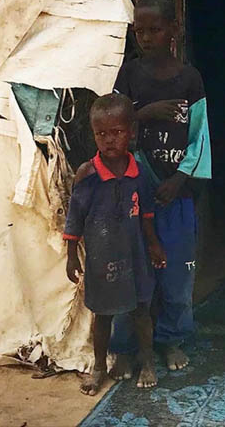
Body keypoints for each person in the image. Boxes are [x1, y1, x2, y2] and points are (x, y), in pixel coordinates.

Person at [78, 0, 211, 375]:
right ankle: (124, 347)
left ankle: (171, 340)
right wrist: (146, 113)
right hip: (131, 193)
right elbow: (113, 122)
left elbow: (200, 135)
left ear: (174, 29)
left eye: (155, 29)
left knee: (176, 274)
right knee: (128, 270)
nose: (147, 38)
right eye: (140, 31)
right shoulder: (131, 75)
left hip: (176, 195)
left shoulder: (190, 79)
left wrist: (182, 178)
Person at [64, 93, 167, 395]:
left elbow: (146, 213)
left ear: (131, 132)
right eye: (101, 134)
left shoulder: (138, 173)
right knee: (103, 315)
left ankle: (147, 361)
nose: (109, 140)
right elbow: (74, 218)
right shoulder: (88, 175)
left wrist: (154, 245)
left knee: (141, 311)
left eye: (117, 133)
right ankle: (98, 366)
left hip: (135, 257)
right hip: (102, 260)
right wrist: (72, 256)